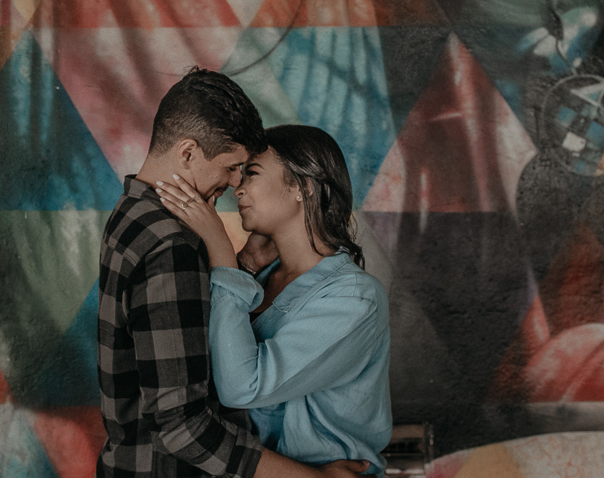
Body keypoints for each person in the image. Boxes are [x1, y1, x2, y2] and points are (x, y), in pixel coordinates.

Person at [97, 68, 371, 478]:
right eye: (231, 167)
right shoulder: (172, 244)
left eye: (247, 172)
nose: (234, 183)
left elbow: (178, 330)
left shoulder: (132, 215)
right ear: (188, 153)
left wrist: (241, 263)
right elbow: (183, 426)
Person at [156, 125, 391, 474]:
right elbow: (203, 374)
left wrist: (220, 249)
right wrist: (244, 265)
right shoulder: (255, 278)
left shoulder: (355, 299)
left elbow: (241, 387)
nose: (237, 187)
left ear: (303, 187)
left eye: (251, 173)